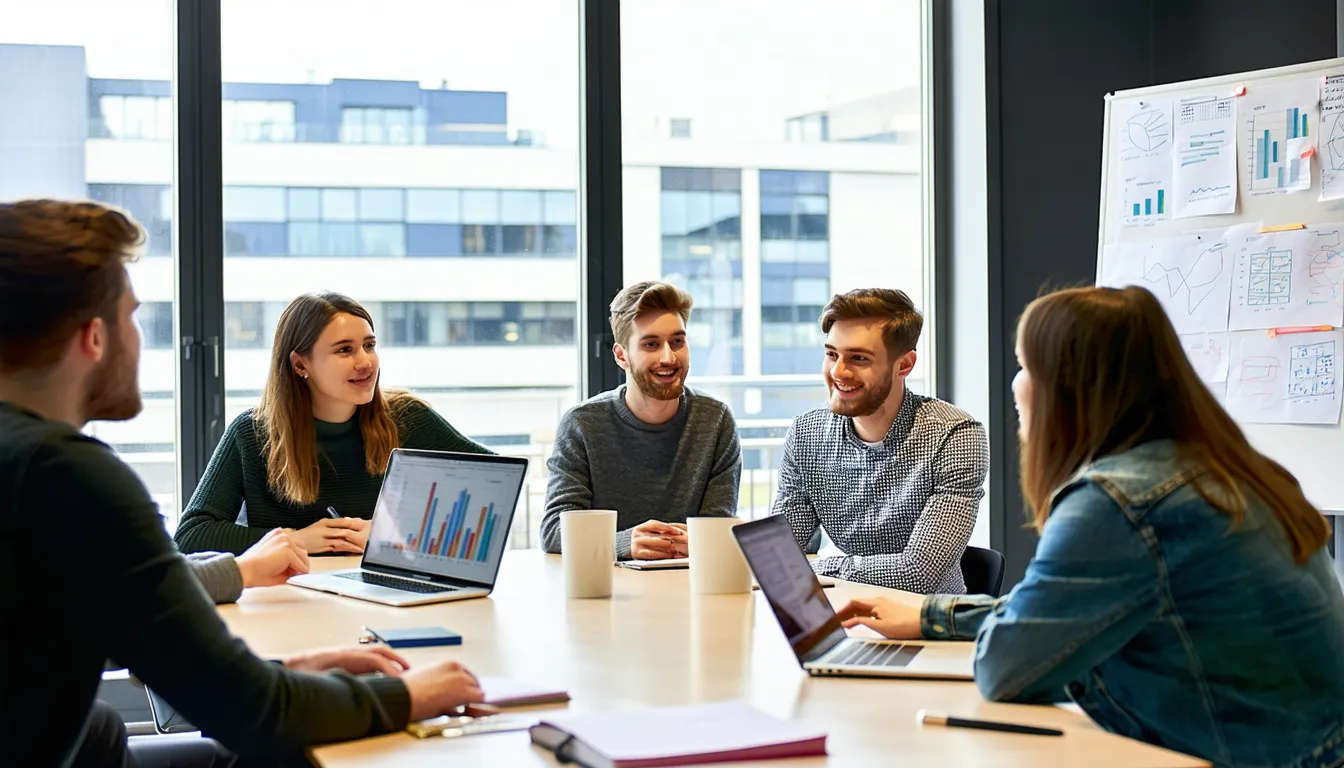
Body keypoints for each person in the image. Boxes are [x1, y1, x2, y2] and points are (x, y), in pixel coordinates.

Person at [0, 199, 487, 767]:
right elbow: (244, 707)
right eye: (133, 315)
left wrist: (290, 669)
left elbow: (103, 628)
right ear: (93, 337)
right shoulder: (70, 477)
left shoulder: (28, 463)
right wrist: (408, 693)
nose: (142, 339)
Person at [836, 285, 1344, 768]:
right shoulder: (1221, 468)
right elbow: (1053, 612)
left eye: (1025, 364)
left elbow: (1005, 670)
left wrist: (953, 620)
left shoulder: (1115, 501)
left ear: (1073, 385)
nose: (1015, 383)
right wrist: (931, 615)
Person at [175, 291, 491, 556]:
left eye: (369, 345)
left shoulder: (407, 417)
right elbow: (191, 536)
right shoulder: (253, 432)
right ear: (301, 365)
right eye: (345, 350)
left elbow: (494, 481)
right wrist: (296, 540)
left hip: (381, 594)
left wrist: (391, 532)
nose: (366, 362)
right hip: (292, 599)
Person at [771, 288, 988, 592]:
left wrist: (817, 567)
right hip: (842, 612)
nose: (837, 372)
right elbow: (779, 554)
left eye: (858, 358)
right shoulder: (807, 433)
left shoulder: (955, 436)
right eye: (831, 354)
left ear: (904, 365)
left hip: (929, 623)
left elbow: (918, 573)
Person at [541, 281, 741, 560]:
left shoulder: (715, 420)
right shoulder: (582, 424)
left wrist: (696, 541)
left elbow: (716, 527)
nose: (668, 357)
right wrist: (624, 543)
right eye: (651, 344)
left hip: (689, 588)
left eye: (677, 341)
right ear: (621, 355)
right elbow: (554, 531)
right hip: (608, 591)